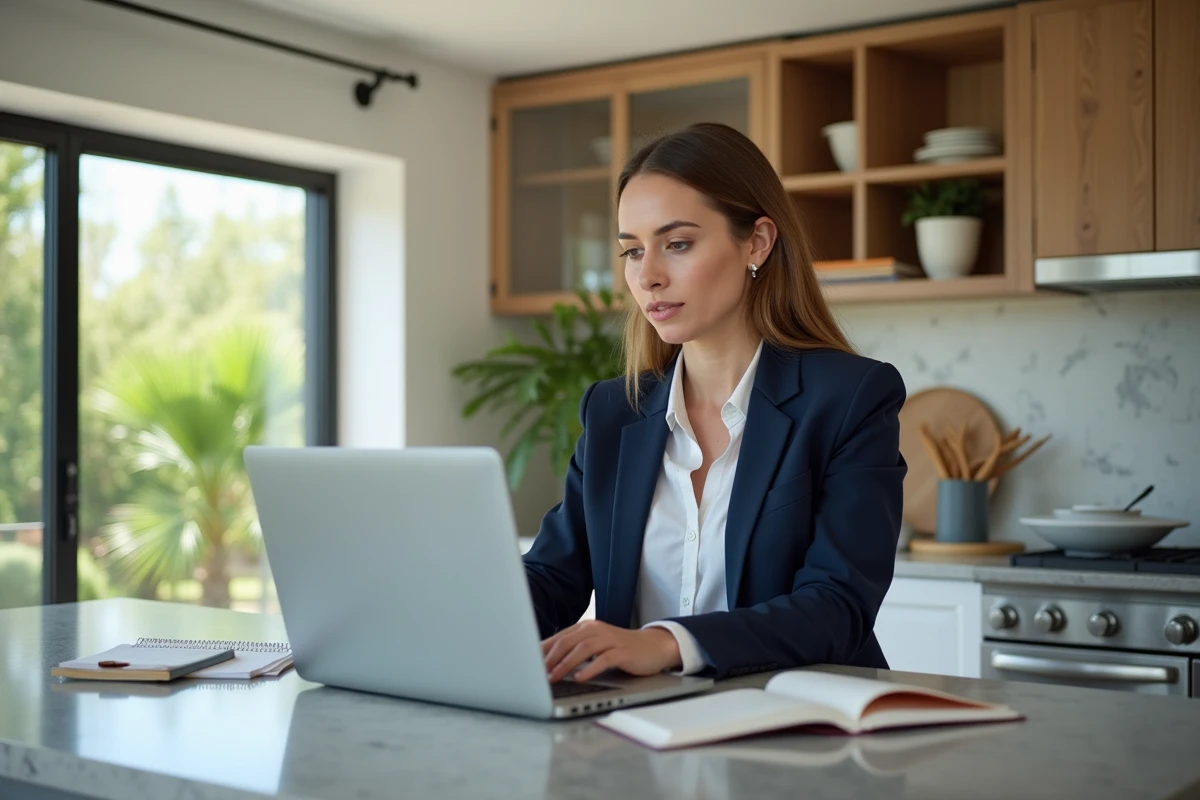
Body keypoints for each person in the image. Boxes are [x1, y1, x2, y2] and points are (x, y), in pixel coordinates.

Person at [523, 122, 907, 684]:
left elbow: (836, 605)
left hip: (798, 732)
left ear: (757, 241)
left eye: (677, 244)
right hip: (638, 733)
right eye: (633, 251)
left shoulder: (850, 399)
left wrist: (666, 643)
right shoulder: (615, 411)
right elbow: (555, 576)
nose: (647, 276)